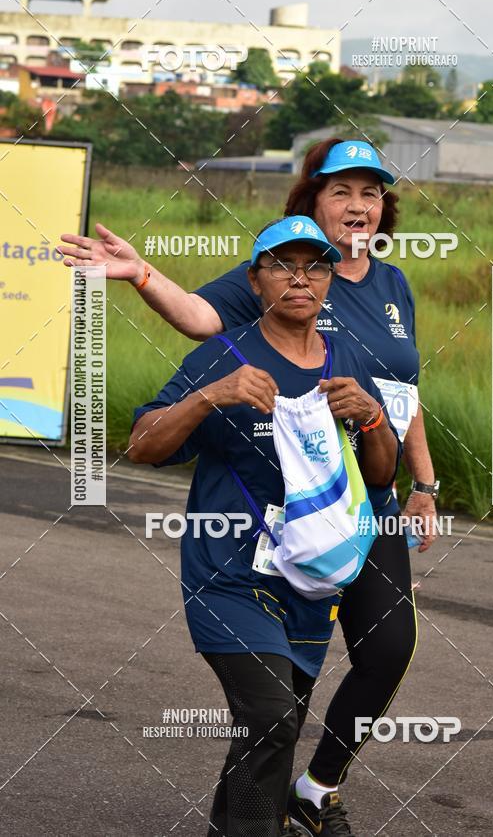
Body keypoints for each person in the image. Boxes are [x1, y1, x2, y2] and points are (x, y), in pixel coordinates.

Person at [59, 138, 437, 835]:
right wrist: (144, 275)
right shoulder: (254, 303)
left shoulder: (389, 286)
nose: (358, 205)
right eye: (341, 191)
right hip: (263, 532)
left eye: (371, 192)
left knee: (375, 655)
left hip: (362, 509)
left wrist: (424, 480)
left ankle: (313, 788)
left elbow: (403, 393)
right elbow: (201, 326)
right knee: (273, 712)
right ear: (309, 201)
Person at [128, 217, 400, 837]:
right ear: (255, 281)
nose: (300, 279)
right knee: (273, 718)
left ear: (329, 281)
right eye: (282, 265)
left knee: (268, 731)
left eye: (316, 267)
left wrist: (375, 418)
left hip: (308, 584)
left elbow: (380, 479)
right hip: (227, 579)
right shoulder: (224, 356)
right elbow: (142, 445)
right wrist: (208, 397)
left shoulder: (347, 355)